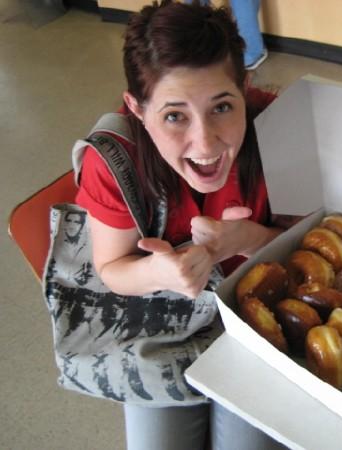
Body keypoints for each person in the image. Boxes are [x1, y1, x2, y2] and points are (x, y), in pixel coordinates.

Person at [75, 1, 289, 448]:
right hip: (158, 325)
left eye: (222, 107)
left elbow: (311, 247)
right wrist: (159, 272)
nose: (205, 143)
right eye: (174, 116)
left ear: (245, 89)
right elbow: (112, 269)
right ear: (137, 108)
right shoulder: (115, 160)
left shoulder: (280, 127)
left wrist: (253, 239)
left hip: (257, 322)